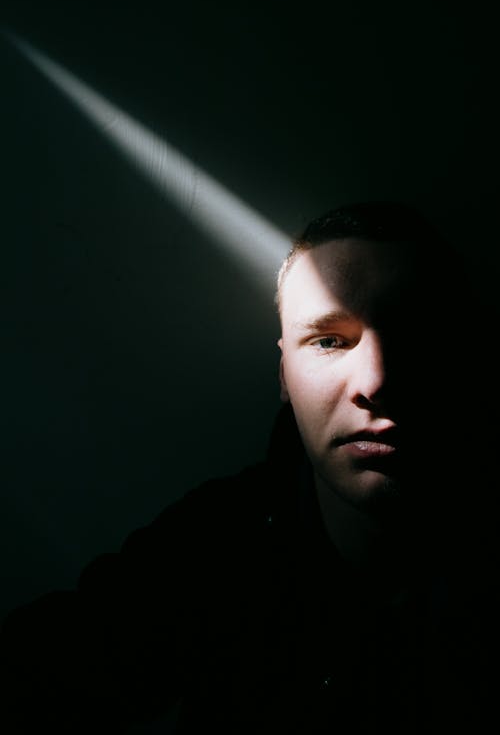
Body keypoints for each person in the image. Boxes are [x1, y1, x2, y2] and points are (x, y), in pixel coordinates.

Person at [1, 201, 499, 734]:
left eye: (414, 333)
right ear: (284, 374)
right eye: (328, 341)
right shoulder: (213, 546)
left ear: (464, 355)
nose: (375, 382)